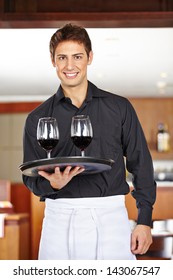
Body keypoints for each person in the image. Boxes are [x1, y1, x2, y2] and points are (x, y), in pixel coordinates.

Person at [22, 23, 156, 260]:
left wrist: (144, 220)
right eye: (62, 57)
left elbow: (141, 165)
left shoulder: (119, 108)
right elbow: (29, 177)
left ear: (90, 57)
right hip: (58, 219)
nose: (69, 65)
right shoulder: (37, 118)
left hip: (111, 218)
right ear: (53, 61)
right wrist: (52, 185)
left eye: (77, 56)